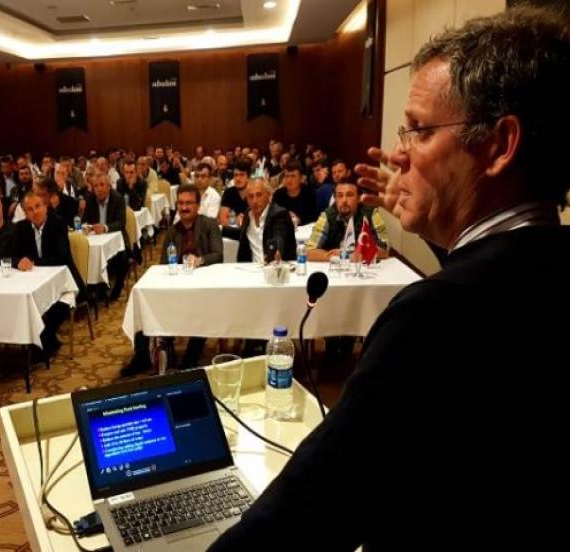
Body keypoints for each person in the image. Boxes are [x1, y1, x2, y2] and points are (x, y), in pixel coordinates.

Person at [210, 7, 570, 550]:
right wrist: (438, 231)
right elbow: (496, 277)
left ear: (499, 145)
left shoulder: (436, 316)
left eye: (419, 131)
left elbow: (312, 510)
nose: (398, 154)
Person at [121, 185, 223, 377]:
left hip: (202, 286)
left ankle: (190, 360)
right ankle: (142, 356)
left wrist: (200, 260)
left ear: (198, 205)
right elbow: (163, 264)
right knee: (146, 301)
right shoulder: (172, 231)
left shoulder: (209, 225)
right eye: (181, 203)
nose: (184, 207)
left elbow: (218, 254)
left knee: (203, 310)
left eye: (189, 203)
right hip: (177, 286)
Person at [13, 191, 86, 360]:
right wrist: (19, 261)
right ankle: (46, 342)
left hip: (65, 281)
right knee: (24, 302)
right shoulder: (20, 228)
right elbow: (13, 255)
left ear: (45, 207)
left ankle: (43, 340)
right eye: (30, 209)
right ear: (25, 213)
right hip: (32, 282)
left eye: (38, 206)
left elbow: (61, 258)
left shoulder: (58, 223)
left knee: (56, 306)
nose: (35, 212)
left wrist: (33, 262)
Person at [306, 182, 388, 261]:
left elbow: (384, 250)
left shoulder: (371, 213)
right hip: (335, 268)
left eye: (349, 195)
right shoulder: (327, 216)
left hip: (362, 268)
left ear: (359, 198)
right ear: (335, 199)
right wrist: (336, 257)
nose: (344, 200)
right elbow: (308, 251)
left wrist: (353, 255)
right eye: (340, 196)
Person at [83, 172, 128, 301]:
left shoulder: (118, 198)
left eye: (102, 185)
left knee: (122, 257)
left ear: (109, 186)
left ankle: (118, 286)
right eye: (96, 186)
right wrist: (87, 227)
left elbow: (121, 223)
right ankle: (94, 289)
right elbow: (85, 221)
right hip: (96, 239)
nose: (99, 189)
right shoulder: (90, 199)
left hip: (117, 240)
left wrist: (105, 227)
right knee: (88, 254)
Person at [236, 179, 297, 263]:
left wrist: (278, 249)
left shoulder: (279, 214)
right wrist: (221, 229)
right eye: (250, 196)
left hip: (274, 267)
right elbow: (241, 233)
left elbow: (279, 235)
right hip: (250, 267)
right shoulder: (247, 214)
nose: (254, 201)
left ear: (269, 196)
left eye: (259, 195)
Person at [271, 160, 318, 226]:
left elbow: (314, 217)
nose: (289, 180)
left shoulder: (309, 193)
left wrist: (299, 220)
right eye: (287, 176)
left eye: (293, 176)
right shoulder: (278, 195)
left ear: (301, 178)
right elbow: (273, 217)